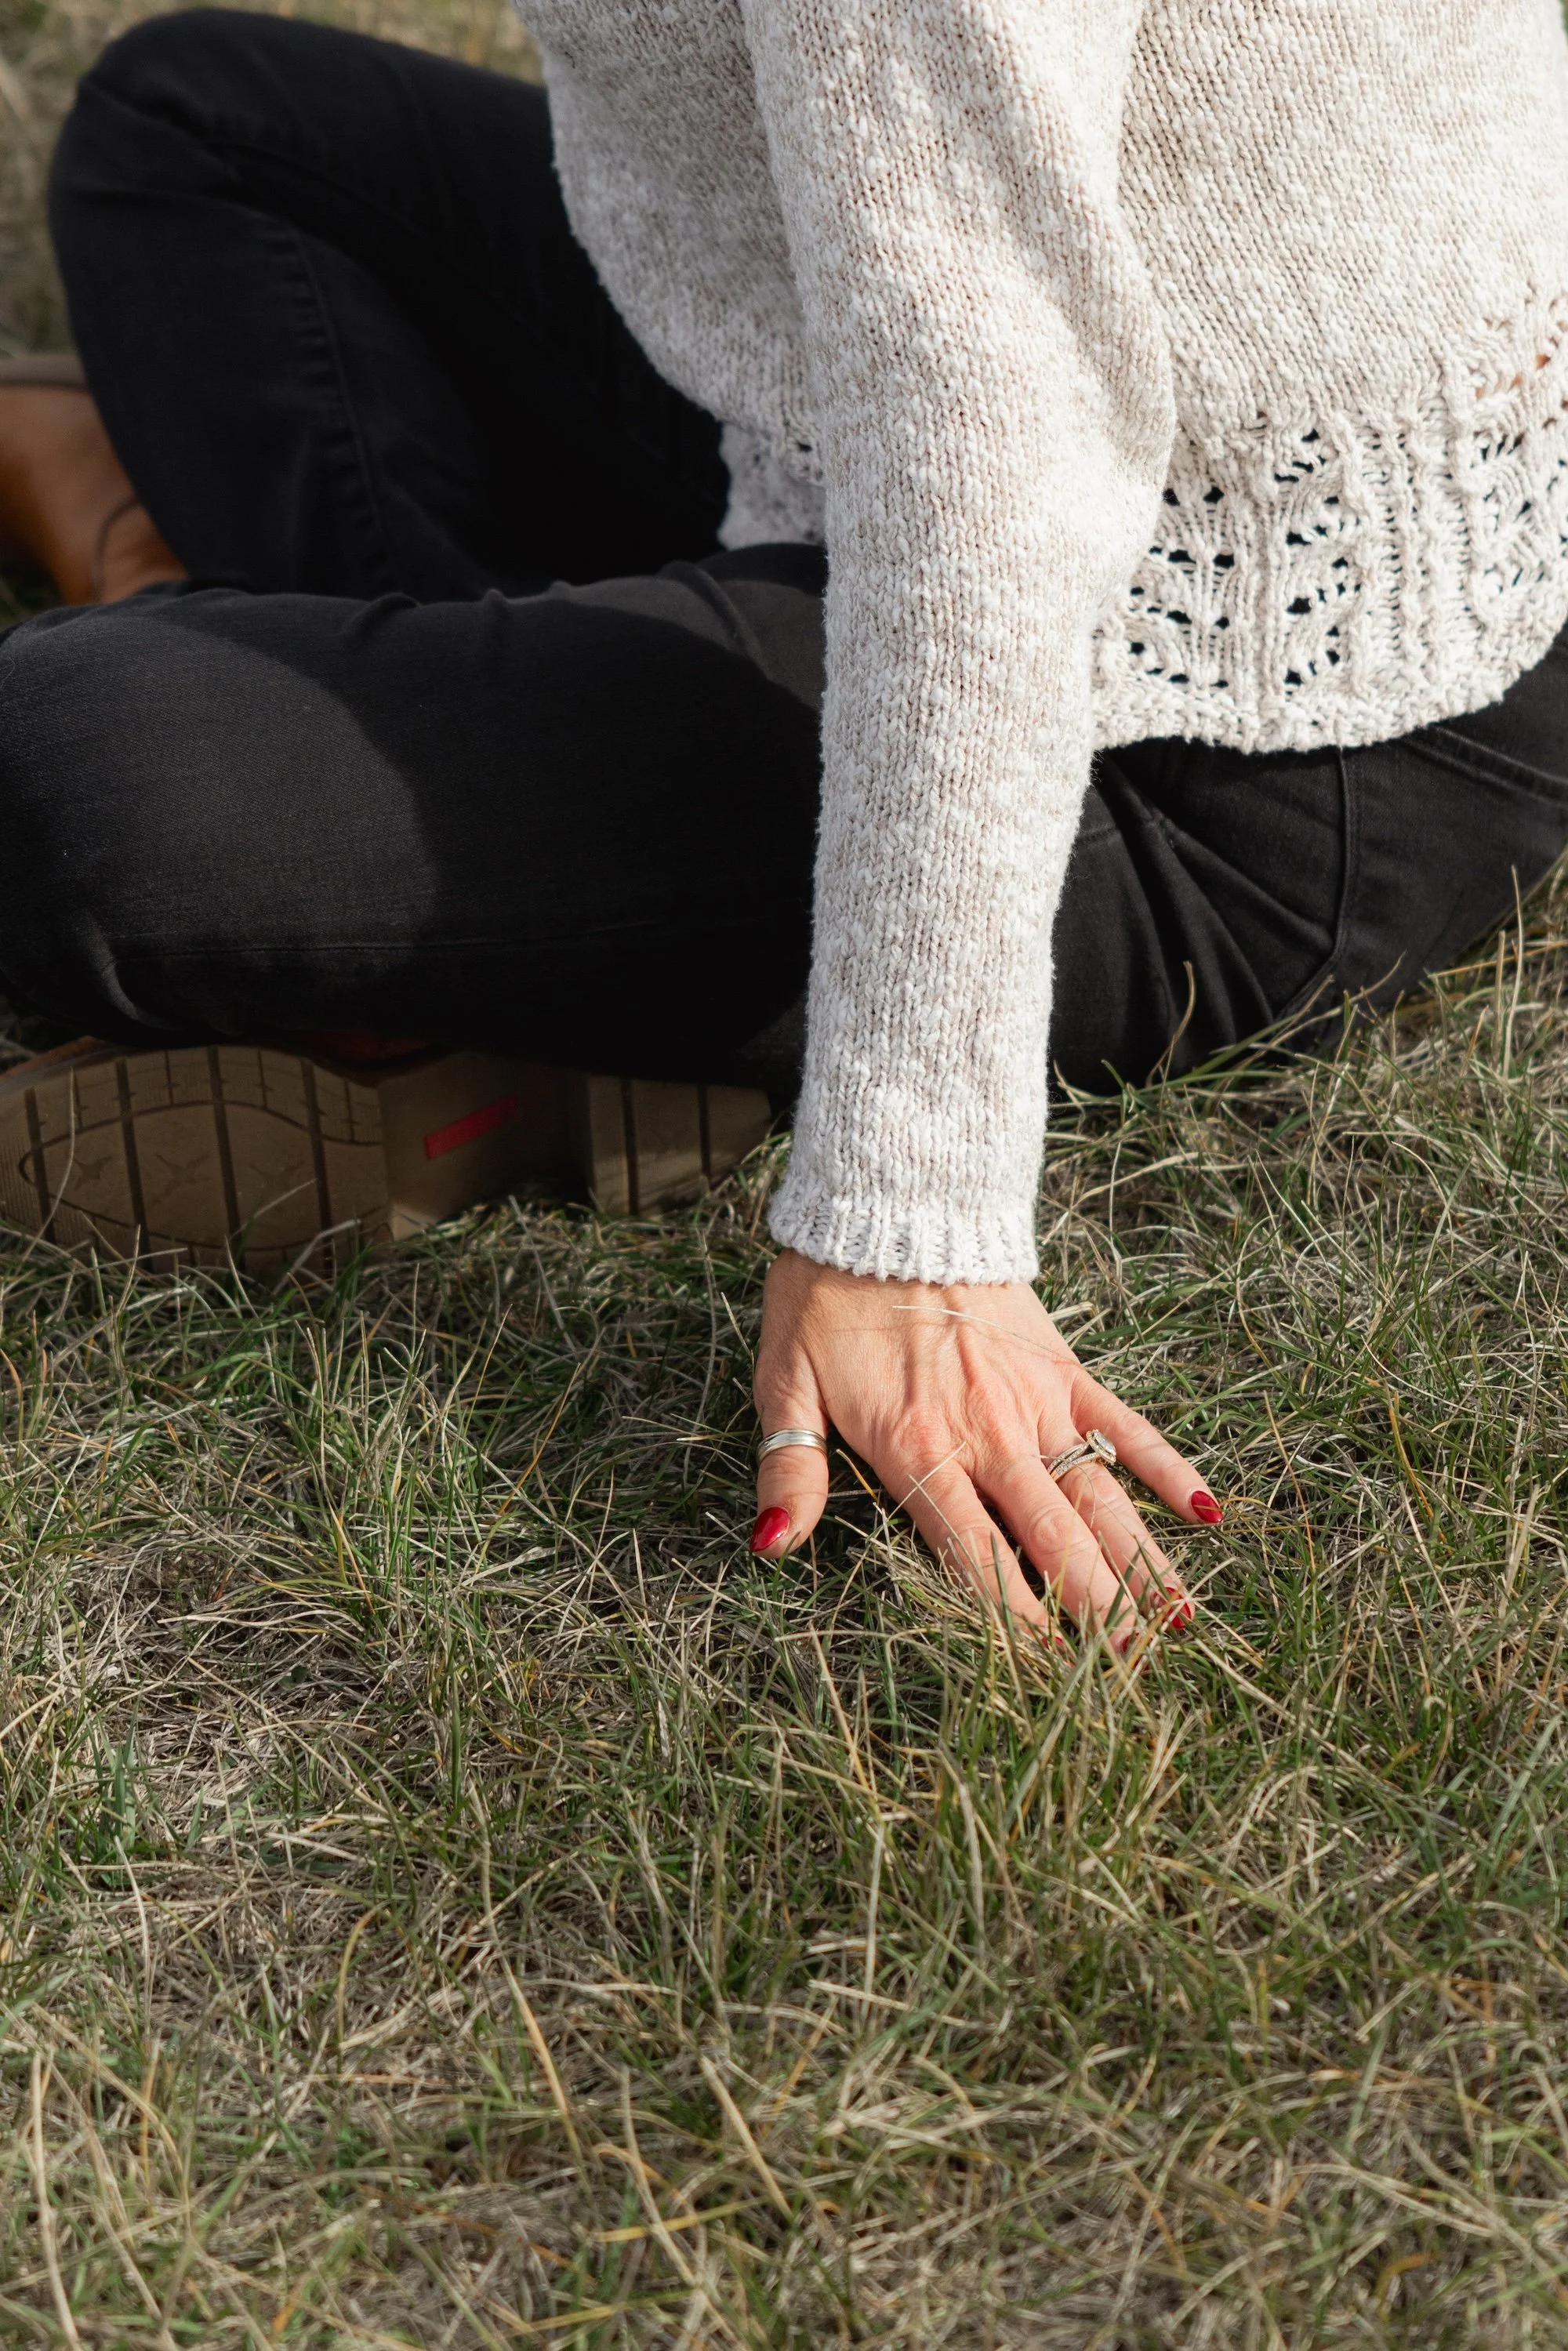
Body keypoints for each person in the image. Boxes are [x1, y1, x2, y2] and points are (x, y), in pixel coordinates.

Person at [1, 2, 1566, 1651]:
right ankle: (518, 916)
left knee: (71, 777)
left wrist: (912, 1227)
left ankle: (463, 874)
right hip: (861, 391)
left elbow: (994, 428)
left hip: (1234, 713)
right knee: (192, 127)